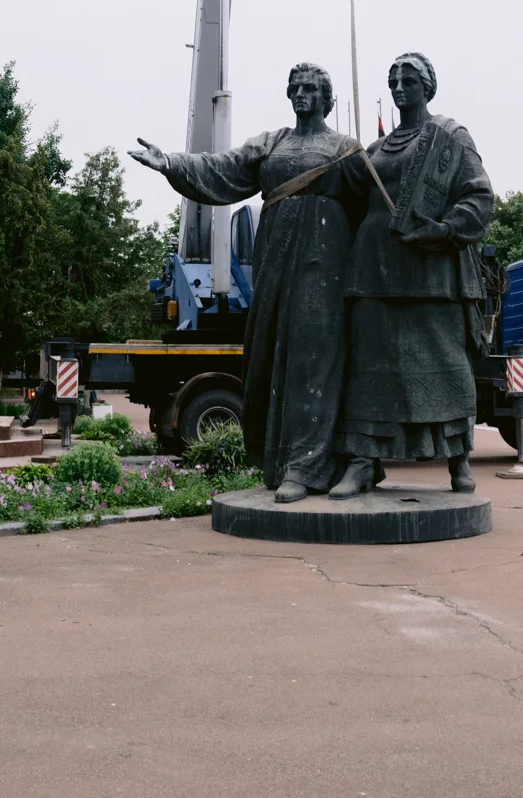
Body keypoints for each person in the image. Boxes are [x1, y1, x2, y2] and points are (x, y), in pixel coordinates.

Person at [130, 64, 363, 502]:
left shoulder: (345, 149)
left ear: (326, 98)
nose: (300, 94)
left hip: (324, 265)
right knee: (271, 357)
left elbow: (376, 205)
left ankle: (309, 466)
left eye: (310, 88)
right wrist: (172, 164)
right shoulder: (272, 143)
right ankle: (280, 462)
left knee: (313, 358)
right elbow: (224, 167)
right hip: (275, 265)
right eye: (295, 88)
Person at [330, 52, 495, 498]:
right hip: (373, 273)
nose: (400, 88)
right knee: (369, 366)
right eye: (394, 81)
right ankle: (363, 460)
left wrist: (446, 229)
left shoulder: (450, 136)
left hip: (431, 273)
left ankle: (458, 458)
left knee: (445, 363)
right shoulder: (373, 151)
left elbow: (479, 197)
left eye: (409, 80)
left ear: (428, 87)